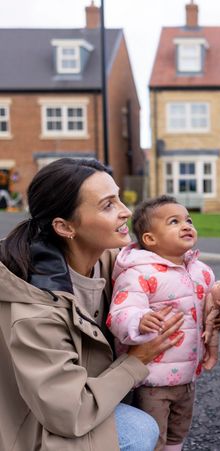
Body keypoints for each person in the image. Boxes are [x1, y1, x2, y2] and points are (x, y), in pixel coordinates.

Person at [0, 158, 184, 451]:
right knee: (138, 431)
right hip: (39, 427)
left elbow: (171, 285)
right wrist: (136, 361)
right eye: (107, 205)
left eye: (119, 198)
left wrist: (214, 305)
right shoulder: (35, 307)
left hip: (88, 398)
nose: (126, 212)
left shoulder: (115, 263)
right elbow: (69, 413)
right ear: (64, 226)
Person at [107, 195, 220, 451]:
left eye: (188, 220)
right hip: (152, 380)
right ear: (150, 239)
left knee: (177, 433)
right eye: (174, 221)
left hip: (188, 375)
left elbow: (216, 303)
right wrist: (139, 320)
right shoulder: (138, 273)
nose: (186, 225)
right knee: (153, 435)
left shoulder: (201, 271)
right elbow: (120, 313)